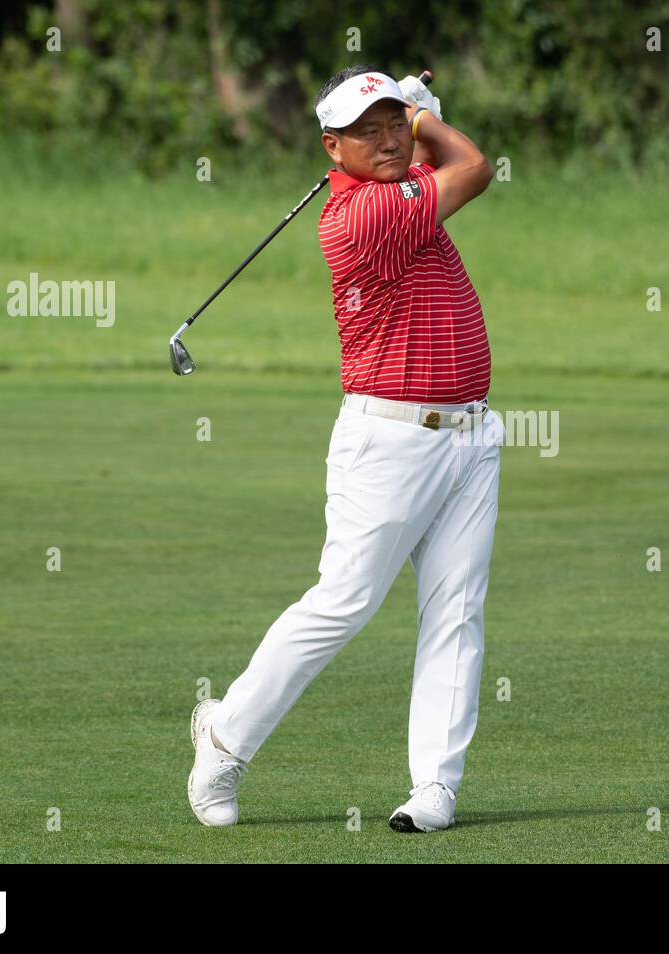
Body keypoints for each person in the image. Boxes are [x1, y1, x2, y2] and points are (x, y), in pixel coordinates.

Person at [187, 66, 500, 833]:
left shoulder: (400, 187)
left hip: (471, 433)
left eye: (394, 122)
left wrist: (417, 114)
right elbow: (475, 168)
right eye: (370, 130)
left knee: (455, 613)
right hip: (388, 439)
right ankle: (224, 737)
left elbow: (440, 167)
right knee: (344, 603)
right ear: (333, 149)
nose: (390, 138)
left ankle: (435, 787)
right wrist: (427, 117)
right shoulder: (360, 217)